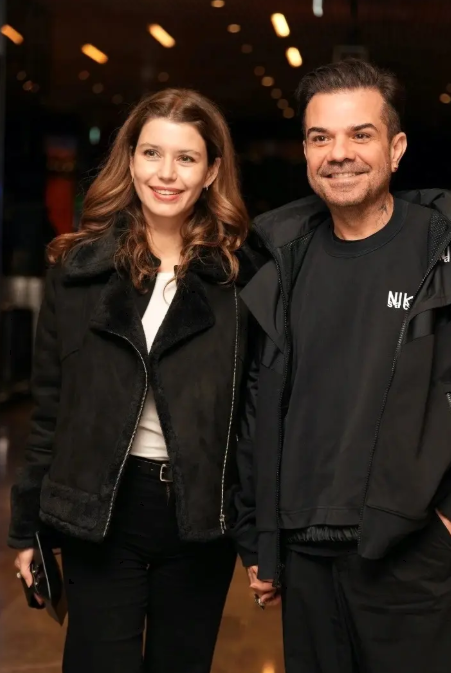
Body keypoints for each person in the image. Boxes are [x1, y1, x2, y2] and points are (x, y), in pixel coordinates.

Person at [8, 88, 263, 673]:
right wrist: (26, 529)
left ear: (212, 171)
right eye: (152, 153)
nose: (166, 174)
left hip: (199, 517)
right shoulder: (78, 270)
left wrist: (259, 537)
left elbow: (253, 418)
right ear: (130, 159)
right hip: (100, 512)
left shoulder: (240, 279)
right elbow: (50, 411)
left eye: (186, 157)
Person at [234, 59, 451, 673]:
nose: (339, 154)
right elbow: (256, 405)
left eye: (361, 134)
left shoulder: (438, 250)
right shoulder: (280, 260)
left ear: (396, 148)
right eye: (320, 137)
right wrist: (258, 537)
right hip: (304, 557)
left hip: (415, 551)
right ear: (305, 151)